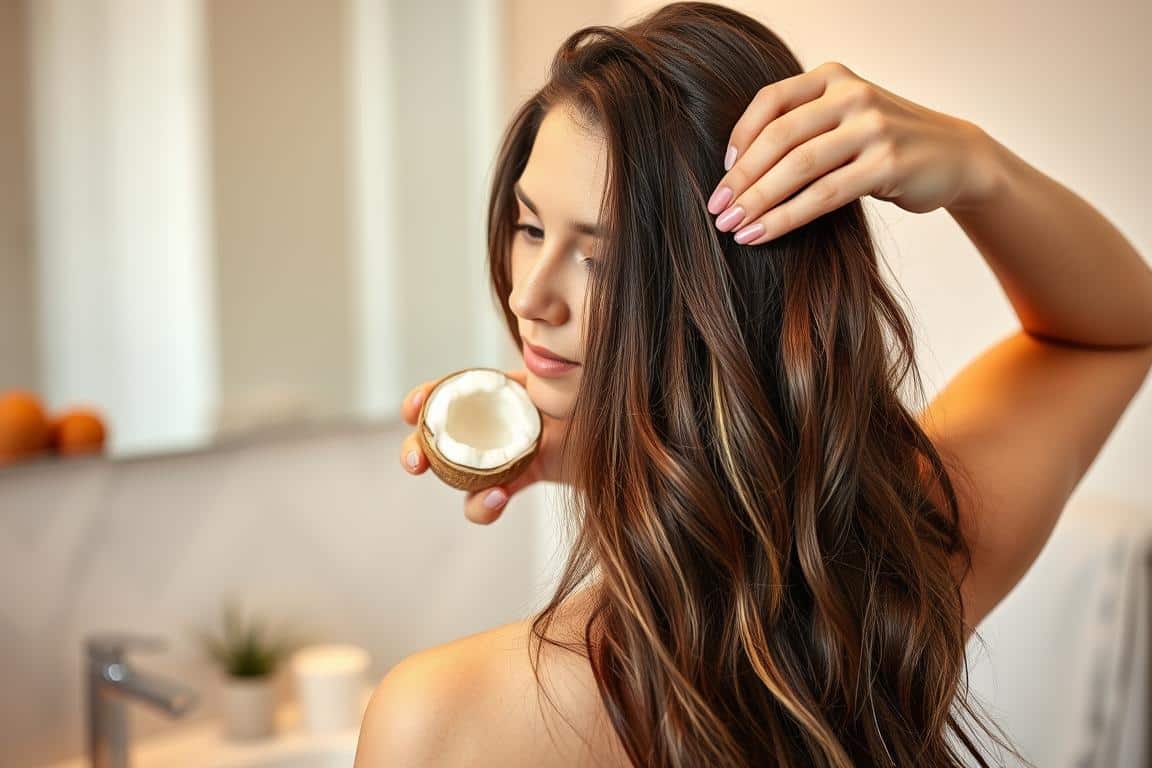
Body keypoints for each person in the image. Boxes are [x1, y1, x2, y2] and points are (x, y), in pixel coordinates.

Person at [355, 3, 1152, 766]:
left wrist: (975, 158)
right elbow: (1115, 332)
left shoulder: (440, 722)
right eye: (531, 228)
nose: (531, 297)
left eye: (603, 260)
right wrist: (981, 172)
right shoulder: (883, 585)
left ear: (731, 299)